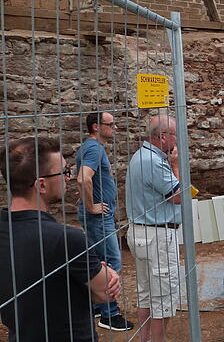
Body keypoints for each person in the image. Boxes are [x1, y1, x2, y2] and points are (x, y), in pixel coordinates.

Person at [0, 137, 120, 341]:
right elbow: (105, 292)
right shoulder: (66, 239)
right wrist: (97, 273)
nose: (69, 178)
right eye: (64, 172)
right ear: (41, 185)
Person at [126, 115, 183, 342]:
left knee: (146, 294)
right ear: (162, 137)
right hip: (157, 235)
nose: (177, 140)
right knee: (164, 296)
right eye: (175, 135)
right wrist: (176, 166)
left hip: (140, 231)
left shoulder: (140, 157)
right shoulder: (155, 162)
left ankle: (144, 339)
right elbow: (178, 196)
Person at [76, 112, 134, 331]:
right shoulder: (93, 149)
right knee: (112, 262)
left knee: (98, 261)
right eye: (111, 124)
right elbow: (83, 178)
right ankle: (109, 314)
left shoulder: (88, 147)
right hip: (99, 217)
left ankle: (97, 306)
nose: (115, 128)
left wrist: (86, 199)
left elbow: (84, 179)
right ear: (96, 127)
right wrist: (91, 206)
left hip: (98, 216)